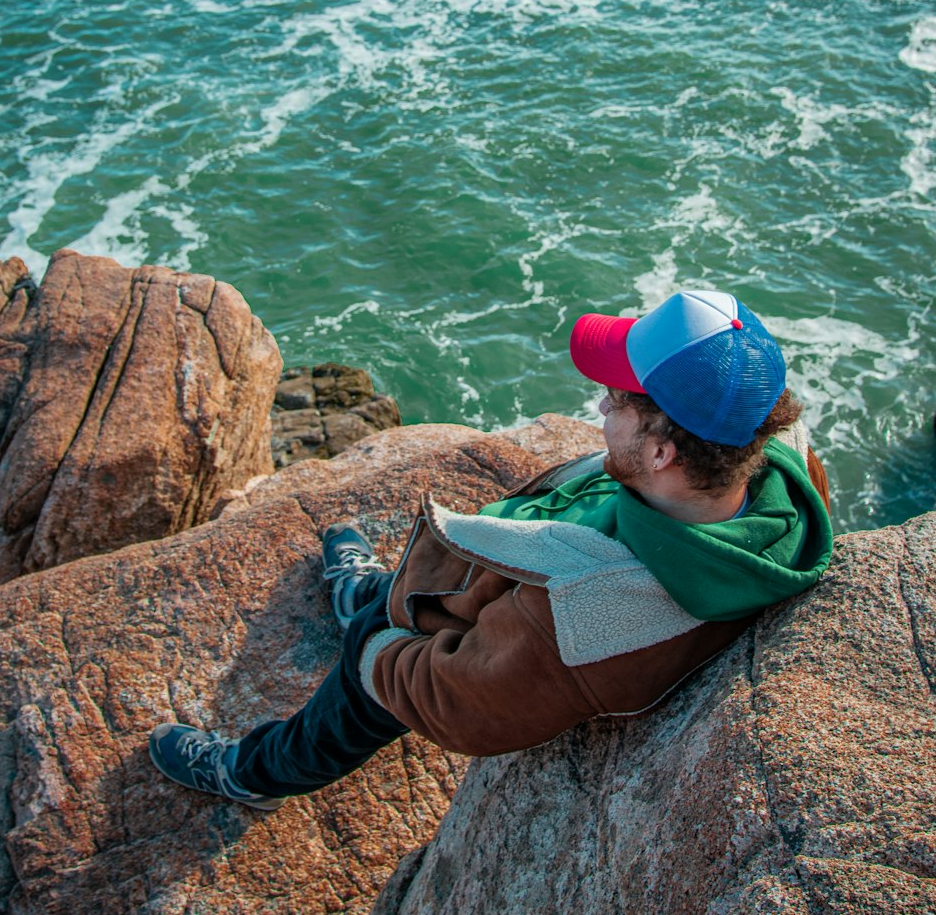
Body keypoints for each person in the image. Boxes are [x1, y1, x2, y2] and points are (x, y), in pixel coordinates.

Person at [149, 288, 833, 810]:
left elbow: (461, 700)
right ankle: (380, 594)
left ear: (661, 452)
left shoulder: (592, 613)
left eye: (619, 398)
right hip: (479, 581)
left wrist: (382, 652)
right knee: (380, 606)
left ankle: (253, 773)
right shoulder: (764, 473)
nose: (599, 403)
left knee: (361, 666)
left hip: (449, 639)